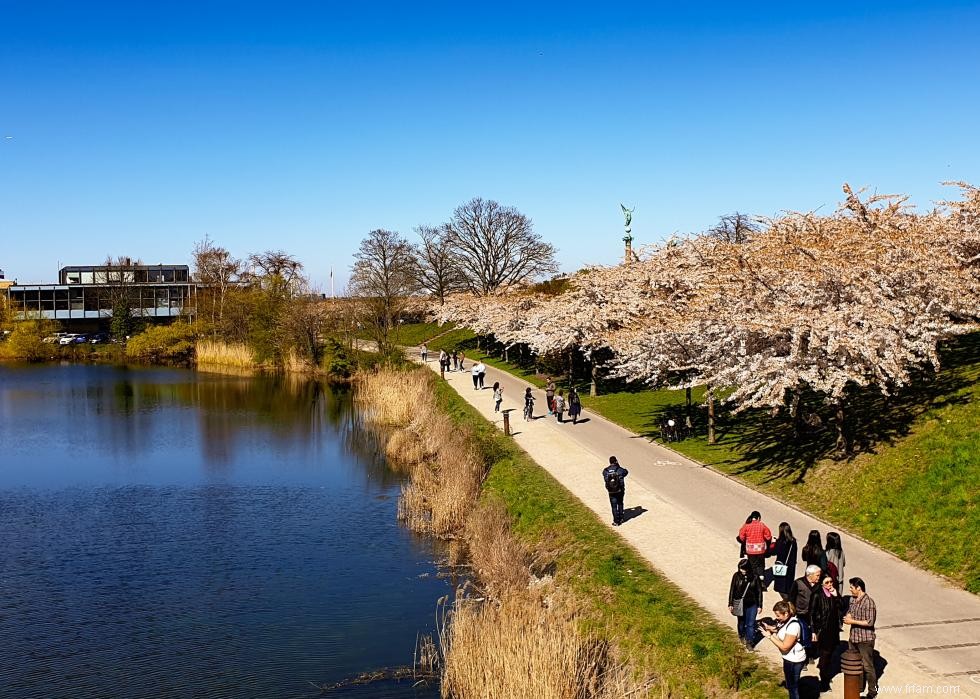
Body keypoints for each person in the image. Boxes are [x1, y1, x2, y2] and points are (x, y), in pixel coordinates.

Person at [761, 600, 807, 699]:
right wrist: (770, 628)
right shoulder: (787, 621)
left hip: (794, 660)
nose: (776, 618)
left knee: (793, 687)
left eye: (778, 615)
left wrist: (769, 636)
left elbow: (785, 646)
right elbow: (781, 630)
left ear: (786, 613)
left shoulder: (793, 626)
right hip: (790, 658)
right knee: (792, 685)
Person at [843, 577, 878, 699]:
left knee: (867, 665)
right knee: (856, 664)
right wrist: (848, 615)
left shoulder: (869, 603)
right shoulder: (853, 600)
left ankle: (873, 690)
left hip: (865, 639)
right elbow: (850, 611)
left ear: (859, 588)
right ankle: (859, 687)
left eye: (852, 587)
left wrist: (852, 621)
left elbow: (869, 622)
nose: (850, 590)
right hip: (854, 638)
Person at [811, 574, 842, 693]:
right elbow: (812, 613)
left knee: (830, 653)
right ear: (822, 584)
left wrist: (836, 596)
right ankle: (824, 681)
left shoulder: (834, 593)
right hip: (823, 630)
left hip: (833, 630)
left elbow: (842, 606)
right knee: (825, 654)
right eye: (827, 582)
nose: (830, 584)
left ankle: (823, 668)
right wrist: (813, 630)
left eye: (831, 582)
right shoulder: (817, 595)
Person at [728, 558, 763, 650]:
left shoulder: (755, 577)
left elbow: (759, 591)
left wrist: (760, 605)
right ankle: (741, 635)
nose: (742, 571)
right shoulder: (736, 576)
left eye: (743, 569)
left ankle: (749, 642)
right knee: (741, 622)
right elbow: (732, 590)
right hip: (740, 603)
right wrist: (730, 603)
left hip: (752, 604)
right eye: (740, 569)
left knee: (750, 624)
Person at [737, 511, 772, 587]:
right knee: (760, 565)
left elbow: (741, 537)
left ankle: (754, 581)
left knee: (753, 565)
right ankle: (761, 579)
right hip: (760, 549)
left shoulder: (746, 526)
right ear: (758, 517)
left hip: (750, 550)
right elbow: (768, 536)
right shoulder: (762, 525)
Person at [789, 565, 821, 639]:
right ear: (810, 575)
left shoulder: (819, 585)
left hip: (815, 615)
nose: (819, 577)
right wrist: (792, 612)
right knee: (803, 635)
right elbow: (791, 598)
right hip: (801, 614)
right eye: (817, 575)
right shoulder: (798, 583)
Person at [772, 522, 798, 601]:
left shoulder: (780, 542)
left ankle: (788, 602)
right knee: (788, 586)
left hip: (781, 566)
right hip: (791, 566)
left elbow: (774, 552)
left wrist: (773, 543)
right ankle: (789, 601)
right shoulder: (793, 541)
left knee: (781, 587)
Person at [602, 456, 628, 526]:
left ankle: (616, 521)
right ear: (616, 461)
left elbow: (605, 478)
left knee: (613, 506)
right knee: (620, 503)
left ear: (609, 462)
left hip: (611, 491)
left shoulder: (605, 471)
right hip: (620, 490)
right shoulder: (619, 469)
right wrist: (618, 466)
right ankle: (621, 518)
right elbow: (626, 472)